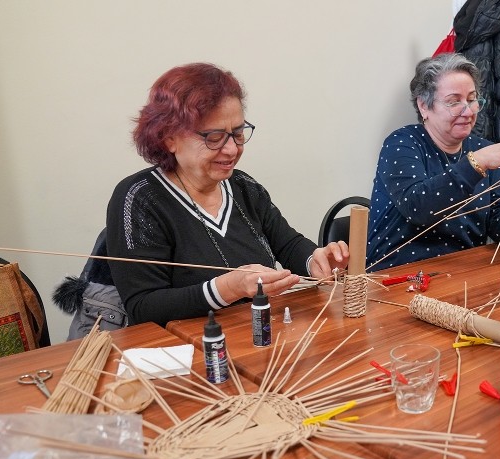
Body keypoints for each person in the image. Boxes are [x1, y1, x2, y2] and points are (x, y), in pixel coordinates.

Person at [106, 63, 349, 327]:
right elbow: (143, 307)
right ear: (169, 137)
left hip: (257, 336)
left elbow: (288, 244)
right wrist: (227, 288)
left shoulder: (243, 186)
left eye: (238, 133)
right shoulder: (140, 198)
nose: (232, 150)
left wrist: (316, 260)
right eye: (214, 137)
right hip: (193, 352)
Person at [367, 53, 500, 271]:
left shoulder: (484, 150)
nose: (468, 111)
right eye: (453, 102)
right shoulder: (402, 143)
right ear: (424, 106)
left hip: (462, 274)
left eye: (471, 99)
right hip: (396, 277)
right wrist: (478, 163)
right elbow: (418, 208)